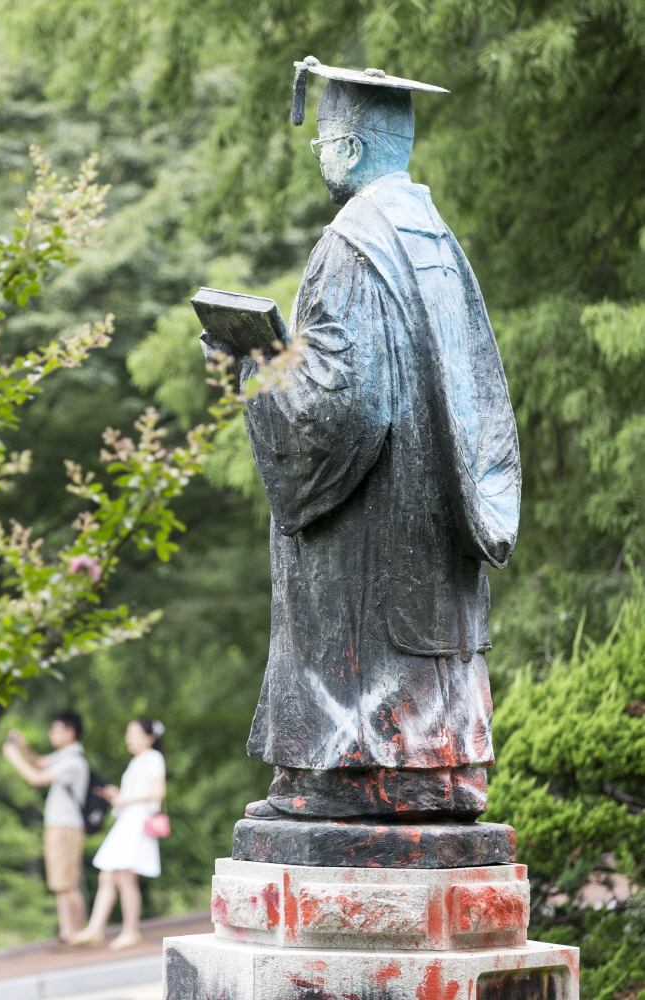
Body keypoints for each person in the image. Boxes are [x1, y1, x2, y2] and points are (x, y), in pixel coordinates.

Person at [202, 58, 521, 823]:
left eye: (322, 142)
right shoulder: (432, 236)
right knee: (423, 645)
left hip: (372, 525)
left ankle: (352, 772)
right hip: (433, 513)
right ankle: (438, 766)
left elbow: (343, 409)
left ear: (347, 148)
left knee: (362, 641)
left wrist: (250, 365)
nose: (319, 156)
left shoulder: (352, 242)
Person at [70, 718, 166, 951]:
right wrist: (119, 799)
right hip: (127, 820)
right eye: (128, 733)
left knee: (124, 876)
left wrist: (124, 799)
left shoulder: (153, 758)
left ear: (149, 738)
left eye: (134, 733)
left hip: (138, 821)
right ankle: (95, 928)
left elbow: (158, 791)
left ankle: (130, 930)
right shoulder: (137, 761)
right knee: (108, 874)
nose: (129, 738)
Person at [2, 711, 89, 941]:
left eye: (56, 729)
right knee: (61, 883)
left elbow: (36, 778)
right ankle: (68, 932)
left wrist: (13, 757)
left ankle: (77, 933)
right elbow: (39, 762)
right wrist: (23, 747)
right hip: (59, 825)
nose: (51, 734)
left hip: (67, 826)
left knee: (67, 883)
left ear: (70, 732)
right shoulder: (62, 756)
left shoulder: (73, 761)